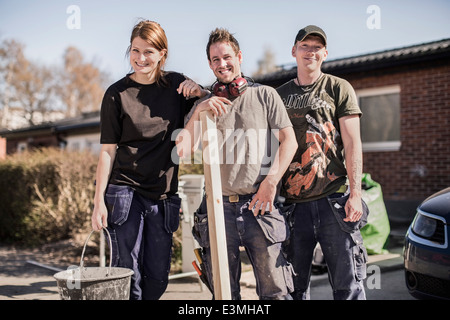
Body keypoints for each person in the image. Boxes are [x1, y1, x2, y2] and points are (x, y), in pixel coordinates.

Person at [176, 28, 298, 300]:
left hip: (260, 205)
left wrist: (270, 183)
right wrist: (199, 109)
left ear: (239, 56)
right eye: (215, 60)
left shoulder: (266, 95)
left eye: (227, 57)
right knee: (224, 296)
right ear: (209, 64)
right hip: (217, 209)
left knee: (275, 292)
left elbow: (289, 142)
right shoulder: (205, 106)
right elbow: (182, 151)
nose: (222, 64)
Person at [90, 20, 208, 300]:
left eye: (149, 52)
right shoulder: (116, 94)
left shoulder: (177, 85)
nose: (141, 58)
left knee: (157, 277)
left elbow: (208, 103)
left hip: (163, 194)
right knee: (127, 274)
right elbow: (107, 151)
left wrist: (200, 90)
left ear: (162, 54)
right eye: (135, 50)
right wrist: (98, 202)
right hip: (124, 191)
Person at [276, 25, 369, 300]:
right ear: (294, 51)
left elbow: (353, 143)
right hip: (294, 206)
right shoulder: (278, 95)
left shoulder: (338, 87)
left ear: (325, 53)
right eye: (305, 46)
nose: (311, 52)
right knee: (293, 289)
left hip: (335, 202)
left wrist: (356, 193)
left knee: (348, 287)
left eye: (317, 47)